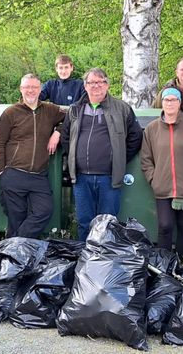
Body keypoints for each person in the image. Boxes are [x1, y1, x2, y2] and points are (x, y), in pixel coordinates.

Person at [60, 68, 143, 241]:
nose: (96, 86)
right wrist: (75, 157)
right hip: (82, 178)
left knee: (108, 223)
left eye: (100, 82)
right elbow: (66, 136)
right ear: (85, 86)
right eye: (91, 82)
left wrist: (119, 159)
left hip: (109, 177)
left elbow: (136, 137)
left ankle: (105, 262)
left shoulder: (122, 108)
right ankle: (85, 261)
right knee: (84, 222)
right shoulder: (75, 109)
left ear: (107, 84)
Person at [0, 74, 66, 238]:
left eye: (34, 87)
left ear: (40, 89)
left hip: (39, 175)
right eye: (27, 87)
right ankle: (17, 255)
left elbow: (71, 117)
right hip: (14, 174)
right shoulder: (11, 112)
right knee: (16, 218)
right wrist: (1, 172)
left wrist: (57, 133)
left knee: (44, 211)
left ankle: (14, 245)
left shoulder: (50, 110)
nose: (30, 90)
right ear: (21, 89)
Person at [141, 87, 183, 256]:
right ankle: (164, 264)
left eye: (173, 100)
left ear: (179, 103)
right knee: (165, 226)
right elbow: (146, 159)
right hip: (162, 188)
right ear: (161, 103)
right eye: (166, 100)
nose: (169, 103)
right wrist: (153, 179)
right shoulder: (152, 128)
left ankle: (180, 262)